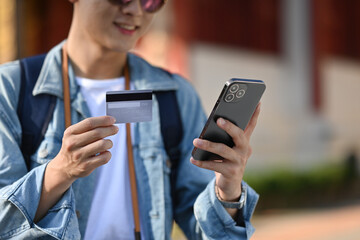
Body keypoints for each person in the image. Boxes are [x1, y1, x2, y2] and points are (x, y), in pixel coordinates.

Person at [0, 0, 260, 239]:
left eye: (151, 1)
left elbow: (205, 231)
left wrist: (227, 191)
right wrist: (59, 172)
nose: (135, 10)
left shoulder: (175, 96)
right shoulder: (11, 89)